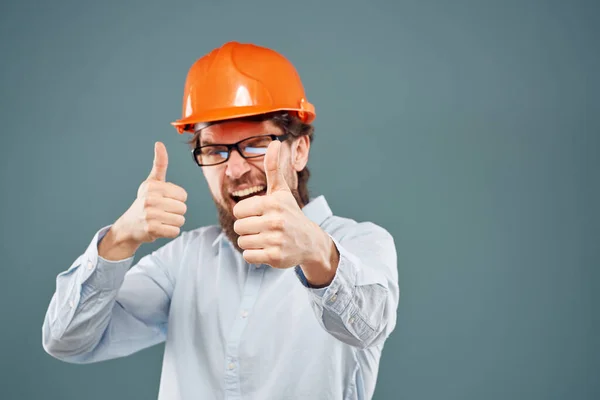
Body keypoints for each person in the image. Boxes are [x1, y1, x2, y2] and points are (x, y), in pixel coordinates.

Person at [42, 41, 400, 400]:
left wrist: (317, 253)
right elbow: (67, 340)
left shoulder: (362, 244)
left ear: (299, 150)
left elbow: (366, 327)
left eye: (257, 143)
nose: (235, 170)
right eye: (215, 150)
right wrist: (118, 240)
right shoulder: (183, 260)